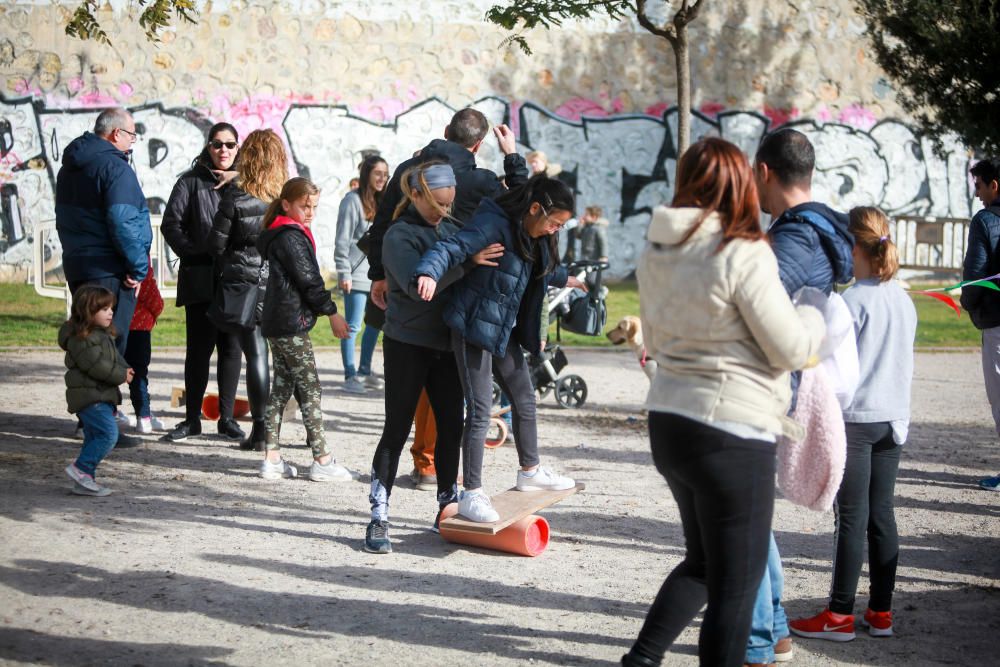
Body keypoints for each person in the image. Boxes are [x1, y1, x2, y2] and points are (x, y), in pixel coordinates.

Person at [622, 138, 825, 667]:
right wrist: (816, 316)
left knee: (706, 565)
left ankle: (640, 659)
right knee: (735, 587)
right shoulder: (741, 249)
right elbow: (791, 349)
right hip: (731, 428)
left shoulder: (656, 249)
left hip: (670, 420)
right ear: (739, 183)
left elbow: (659, 343)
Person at [366, 108, 529, 489]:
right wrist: (512, 156)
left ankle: (430, 469)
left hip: (414, 292)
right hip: (458, 298)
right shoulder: (481, 179)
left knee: (422, 398)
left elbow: (383, 221)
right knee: (442, 398)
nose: (443, 210)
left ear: (445, 132)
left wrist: (379, 273)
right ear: (478, 143)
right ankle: (428, 476)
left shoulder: (410, 168)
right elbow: (523, 205)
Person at [744, 127, 855, 667]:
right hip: (781, 386)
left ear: (766, 171)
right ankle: (775, 628)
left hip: (765, 389)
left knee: (741, 515)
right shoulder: (818, 229)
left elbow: (762, 312)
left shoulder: (795, 238)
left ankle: (759, 639)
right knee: (750, 513)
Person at [413, 175, 583, 523]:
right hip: (473, 325)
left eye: (560, 227)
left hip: (503, 328)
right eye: (554, 223)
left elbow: (535, 267)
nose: (554, 231)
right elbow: (451, 247)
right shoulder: (493, 223)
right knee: (480, 410)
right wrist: (428, 272)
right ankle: (472, 494)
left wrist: (567, 278)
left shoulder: (532, 231)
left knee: (524, 398)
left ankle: (530, 471)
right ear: (535, 209)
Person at [789, 207, 916, 643]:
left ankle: (840, 613)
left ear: (853, 247)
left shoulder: (847, 301)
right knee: (882, 515)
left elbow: (836, 370)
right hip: (893, 420)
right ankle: (881, 610)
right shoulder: (904, 298)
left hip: (857, 420)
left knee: (851, 518)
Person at [365, 162, 505, 553]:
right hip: (407, 342)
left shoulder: (451, 228)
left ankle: (448, 502)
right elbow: (416, 287)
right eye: (437, 204)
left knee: (450, 425)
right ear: (417, 194)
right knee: (397, 429)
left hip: (446, 344)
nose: (444, 212)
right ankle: (379, 513)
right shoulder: (400, 235)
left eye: (449, 205)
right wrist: (466, 265)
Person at [55, 107, 151, 449]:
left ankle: (88, 420)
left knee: (86, 340)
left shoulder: (70, 166)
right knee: (109, 347)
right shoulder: (114, 166)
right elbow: (123, 221)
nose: (132, 143)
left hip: (80, 265)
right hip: (110, 270)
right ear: (116, 134)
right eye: (132, 135)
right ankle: (101, 425)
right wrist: (138, 267)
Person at [255, 177, 353, 481]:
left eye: (314, 207)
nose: (309, 212)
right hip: (289, 323)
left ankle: (272, 459)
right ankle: (322, 460)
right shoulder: (290, 237)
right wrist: (332, 312)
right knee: (310, 389)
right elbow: (309, 281)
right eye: (304, 206)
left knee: (282, 388)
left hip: (278, 321)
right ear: (287, 205)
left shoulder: (285, 233)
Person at [160, 122, 246, 443]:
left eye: (230, 144)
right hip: (200, 280)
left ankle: (226, 420)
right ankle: (192, 419)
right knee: (198, 350)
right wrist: (193, 253)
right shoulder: (190, 182)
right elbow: (172, 224)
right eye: (217, 144)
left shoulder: (247, 183)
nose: (223, 150)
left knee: (231, 349)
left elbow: (273, 198)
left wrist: (238, 179)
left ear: (238, 148)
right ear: (208, 147)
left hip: (236, 280)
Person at [210, 129, 288, 451]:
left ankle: (259, 430)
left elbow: (216, 242)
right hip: (277, 282)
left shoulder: (236, 194)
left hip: (244, 283)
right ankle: (285, 432)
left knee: (255, 354)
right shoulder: (284, 195)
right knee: (278, 358)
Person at [60, 285, 135, 497]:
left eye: (111, 308)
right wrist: (121, 375)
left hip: (99, 395)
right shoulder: (83, 338)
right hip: (90, 397)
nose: (111, 312)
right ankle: (81, 468)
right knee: (109, 434)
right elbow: (97, 365)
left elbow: (112, 359)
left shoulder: (102, 334)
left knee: (94, 437)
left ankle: (84, 481)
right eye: (104, 309)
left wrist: (125, 368)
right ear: (87, 311)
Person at [959, 157, 1000, 491]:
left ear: (994, 185)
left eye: (979, 185)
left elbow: (976, 276)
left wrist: (969, 306)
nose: (977, 194)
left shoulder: (985, 220)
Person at [335, 155, 389, 394]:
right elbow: (342, 240)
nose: (382, 178)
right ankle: (349, 375)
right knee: (352, 326)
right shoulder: (352, 201)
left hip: (377, 275)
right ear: (367, 173)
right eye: (378, 173)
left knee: (374, 325)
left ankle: (364, 371)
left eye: (385, 174)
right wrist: (343, 271)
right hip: (355, 275)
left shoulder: (383, 203)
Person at [122, 259, 164, 433]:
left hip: (116, 325)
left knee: (108, 373)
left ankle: (109, 412)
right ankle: (143, 416)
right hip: (139, 327)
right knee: (139, 374)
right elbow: (154, 299)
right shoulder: (140, 265)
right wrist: (154, 314)